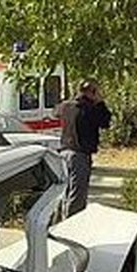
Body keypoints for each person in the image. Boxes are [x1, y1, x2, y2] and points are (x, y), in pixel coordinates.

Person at [56, 80, 112, 217]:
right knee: (77, 195)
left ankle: (58, 223)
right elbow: (106, 122)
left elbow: (55, 112)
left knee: (64, 192)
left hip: (63, 153)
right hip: (79, 155)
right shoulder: (91, 109)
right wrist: (100, 102)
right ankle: (71, 227)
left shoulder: (66, 106)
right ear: (92, 92)